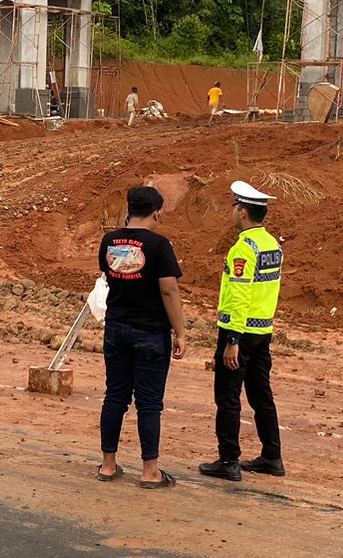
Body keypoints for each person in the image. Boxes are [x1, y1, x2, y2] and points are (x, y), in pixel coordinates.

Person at [97, 184, 185, 488]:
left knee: (115, 396)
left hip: (116, 328)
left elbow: (108, 278)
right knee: (149, 403)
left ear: (129, 208)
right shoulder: (160, 246)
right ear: (157, 212)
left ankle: (108, 465)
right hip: (150, 333)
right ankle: (150, 472)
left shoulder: (109, 242)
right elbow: (168, 289)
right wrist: (181, 331)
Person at [200, 181, 285, 482]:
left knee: (228, 396)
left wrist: (232, 340)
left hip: (239, 331)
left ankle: (228, 460)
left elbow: (239, 295)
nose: (233, 211)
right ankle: (272, 456)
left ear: (244, 212)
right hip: (263, 331)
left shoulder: (244, 250)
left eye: (236, 207)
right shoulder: (272, 245)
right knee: (261, 395)